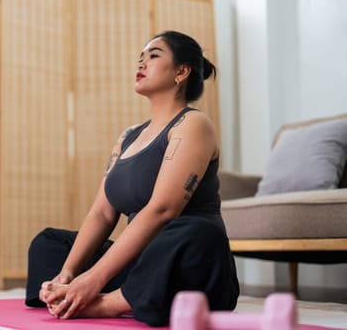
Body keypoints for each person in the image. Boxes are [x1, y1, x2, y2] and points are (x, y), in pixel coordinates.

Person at [25, 31, 239, 327]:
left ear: (181, 71)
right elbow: (102, 213)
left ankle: (107, 302)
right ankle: (80, 290)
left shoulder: (193, 124)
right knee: (48, 243)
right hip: (144, 264)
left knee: (197, 234)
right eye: (141, 58)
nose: (141, 63)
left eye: (153, 56)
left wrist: (93, 278)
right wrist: (69, 273)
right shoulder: (129, 136)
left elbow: (163, 211)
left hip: (188, 262)